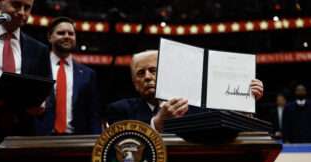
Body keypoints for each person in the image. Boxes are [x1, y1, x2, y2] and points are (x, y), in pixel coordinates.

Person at [106, 50, 264, 132]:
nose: (147, 77)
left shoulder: (194, 105)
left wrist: (244, 105)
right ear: (135, 84)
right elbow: (124, 147)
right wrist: (156, 124)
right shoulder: (120, 110)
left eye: (153, 70)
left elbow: (223, 133)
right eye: (141, 73)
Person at [0, 0, 51, 147]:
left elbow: (49, 93)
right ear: (0, 2)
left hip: (23, 135)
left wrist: (42, 104)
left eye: (27, 8)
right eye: (17, 5)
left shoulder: (40, 50)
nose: (22, 12)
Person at [35, 17, 101, 135]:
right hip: (40, 139)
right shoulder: (36, 68)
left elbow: (93, 114)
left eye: (71, 33)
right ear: (50, 37)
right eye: (61, 33)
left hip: (76, 141)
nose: (67, 36)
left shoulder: (88, 74)